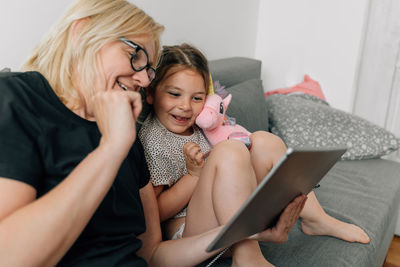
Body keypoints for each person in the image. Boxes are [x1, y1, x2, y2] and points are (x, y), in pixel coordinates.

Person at [0, 0, 308, 266]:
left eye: (149, 69)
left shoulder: (127, 135)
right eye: (135, 55)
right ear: (82, 33)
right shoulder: (18, 99)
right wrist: (111, 148)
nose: (144, 79)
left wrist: (243, 230)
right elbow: (10, 257)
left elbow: (153, 256)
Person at [139, 44, 371, 266]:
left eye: (197, 98)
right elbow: (155, 213)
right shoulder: (154, 140)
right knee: (229, 150)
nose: (185, 106)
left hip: (226, 212)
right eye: (174, 94)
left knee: (264, 140)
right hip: (190, 233)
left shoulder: (203, 123)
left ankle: (315, 218)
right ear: (151, 94)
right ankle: (246, 254)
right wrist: (194, 176)